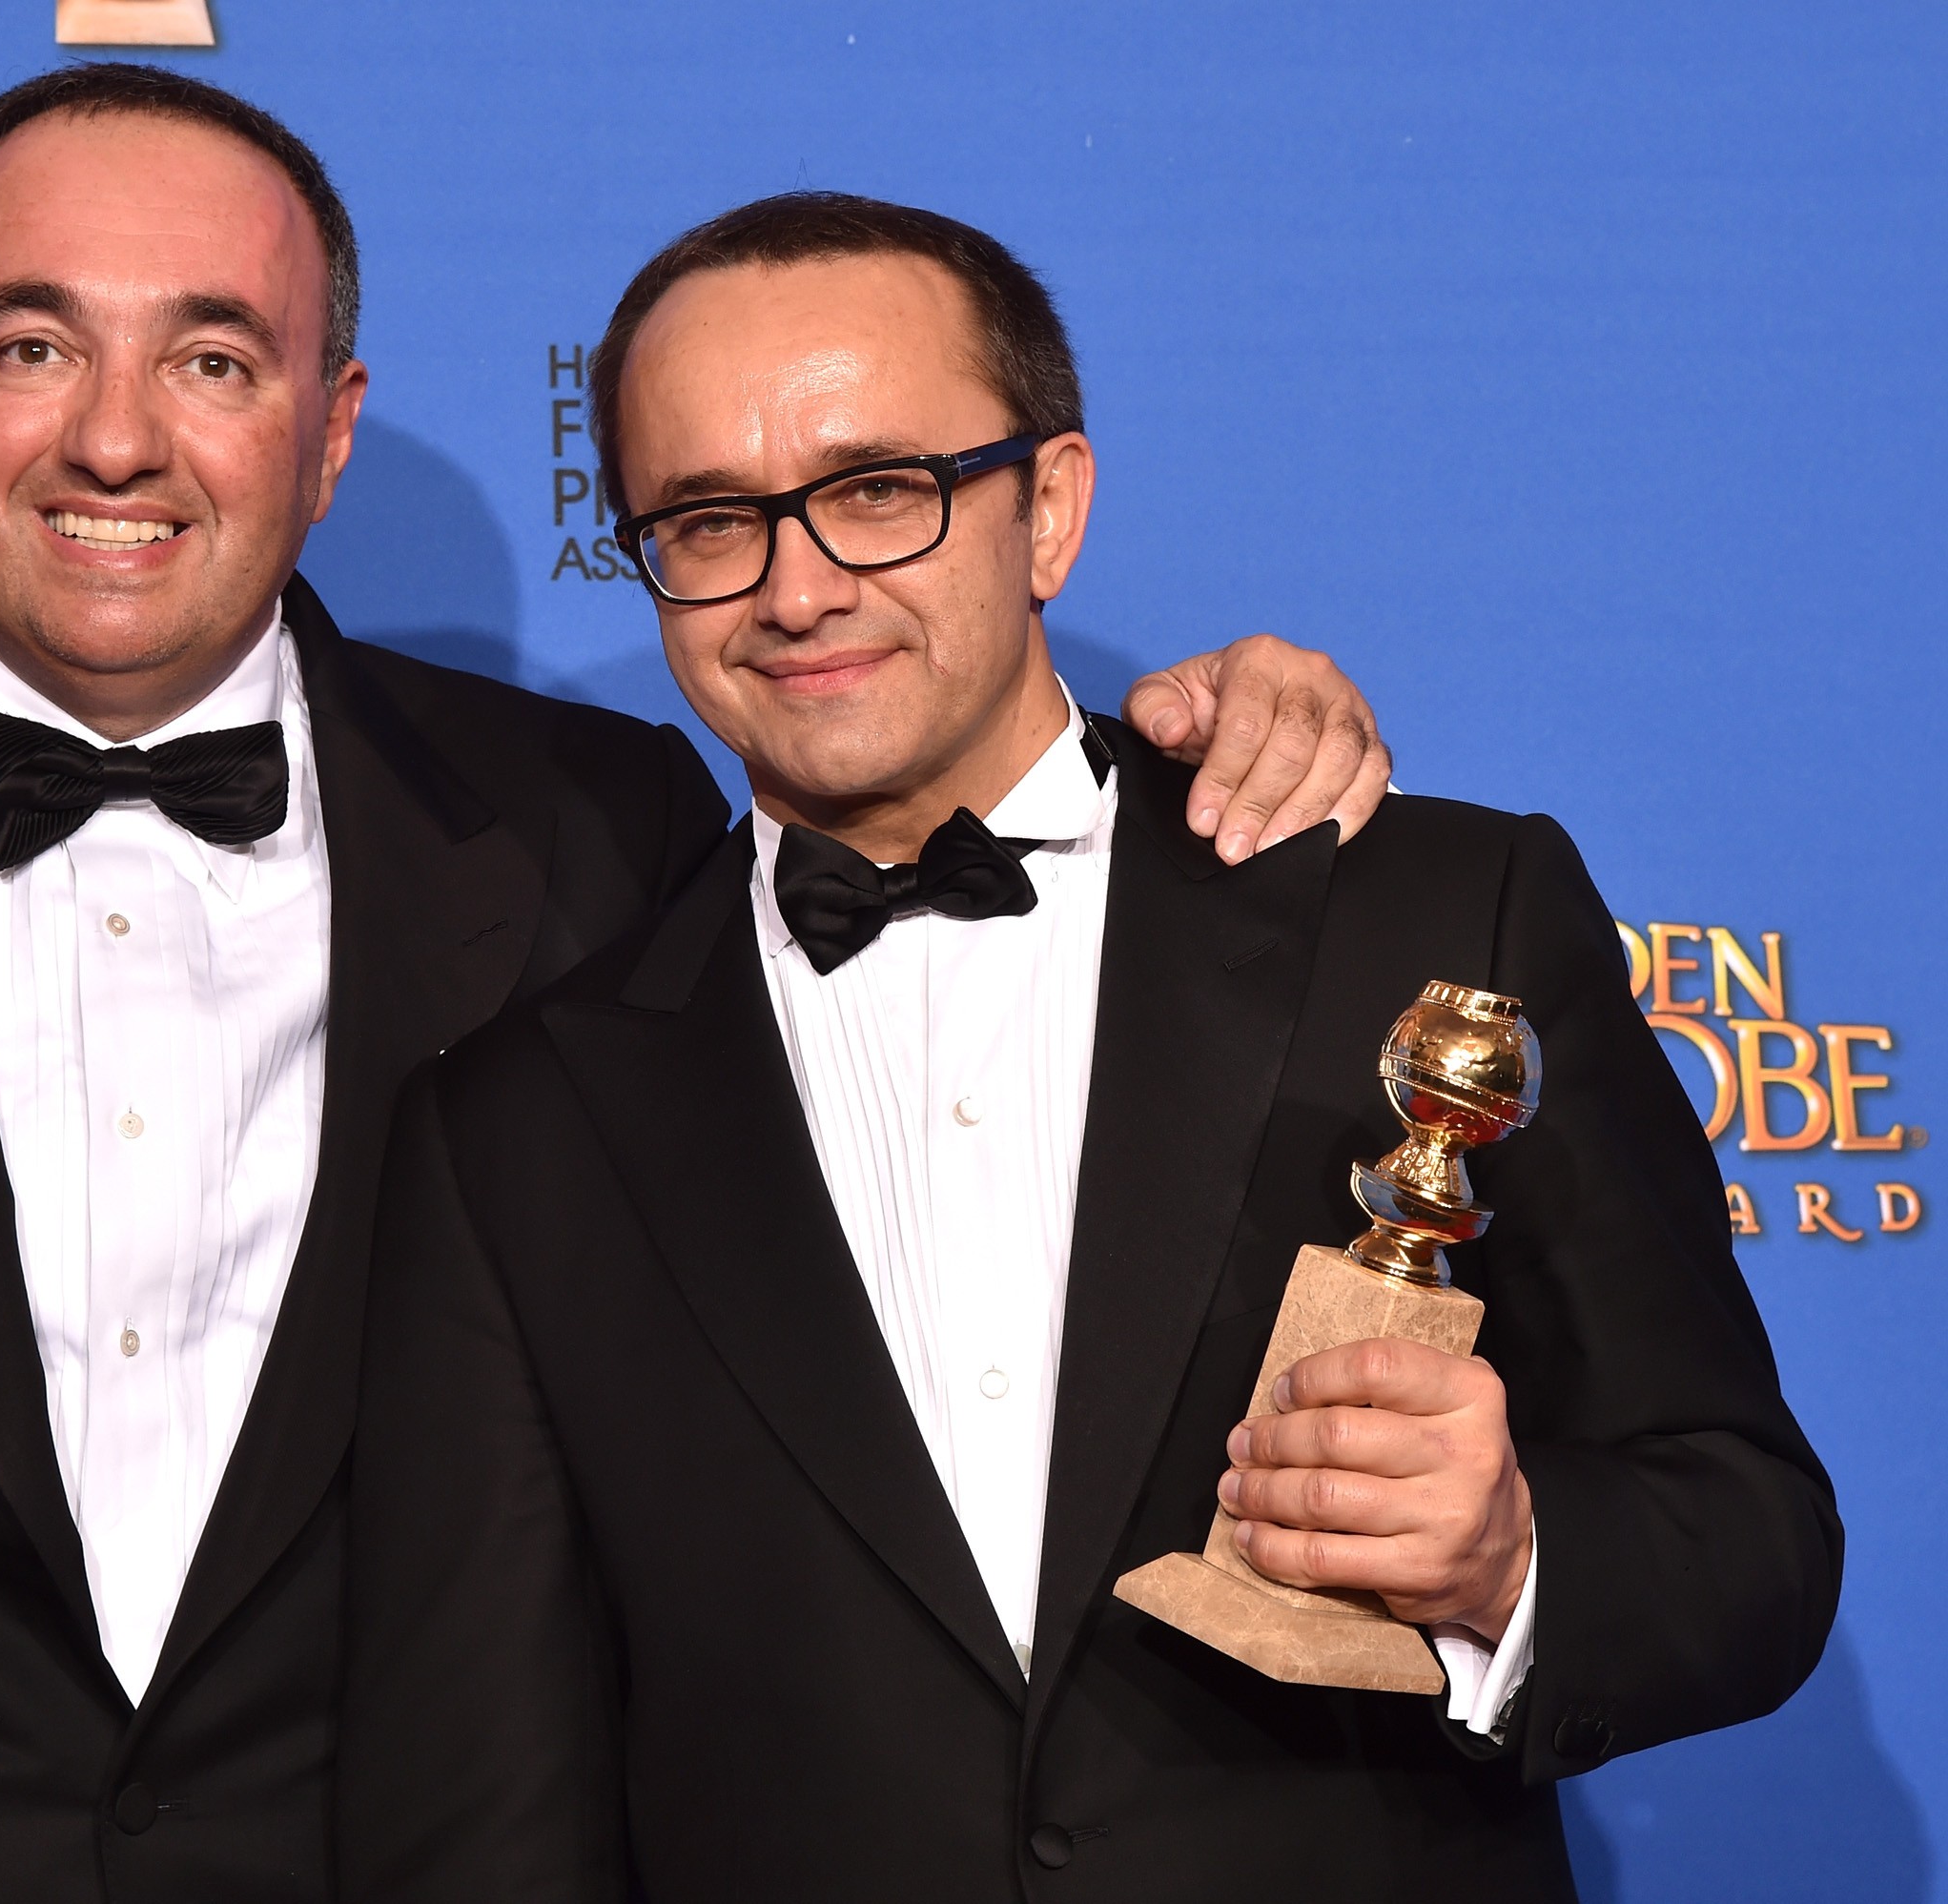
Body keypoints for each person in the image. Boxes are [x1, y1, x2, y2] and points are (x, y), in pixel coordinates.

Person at [0, 69, 1392, 1904]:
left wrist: (1199, 742)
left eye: (213, 360)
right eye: (32, 345)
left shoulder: (596, 831)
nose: (115, 440)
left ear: (329, 431)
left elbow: (954, 951)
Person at [336, 192, 1841, 1903]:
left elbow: (1750, 1531)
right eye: (709, 520)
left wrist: (1514, 1560)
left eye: (879, 490)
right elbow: (487, 1810)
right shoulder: (520, 1125)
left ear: (1047, 507)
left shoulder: (1433, 915)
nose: (797, 588)